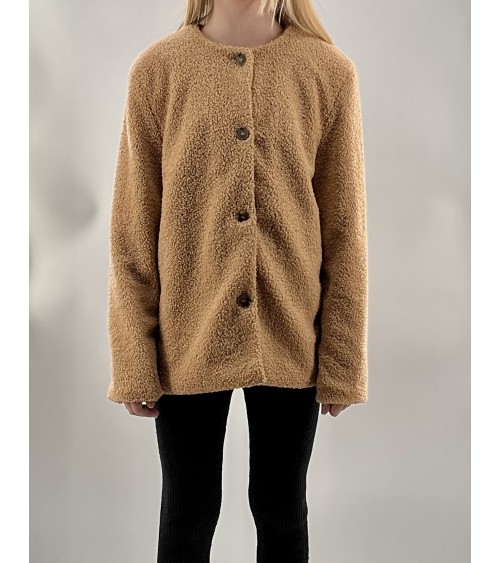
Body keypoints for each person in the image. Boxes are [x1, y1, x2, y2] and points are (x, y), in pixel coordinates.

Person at [106, 0, 369, 561]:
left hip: (291, 331)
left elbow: (346, 230)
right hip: (188, 336)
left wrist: (342, 360)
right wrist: (134, 357)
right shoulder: (158, 71)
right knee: (188, 508)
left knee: (281, 506)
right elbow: (133, 226)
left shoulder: (328, 72)